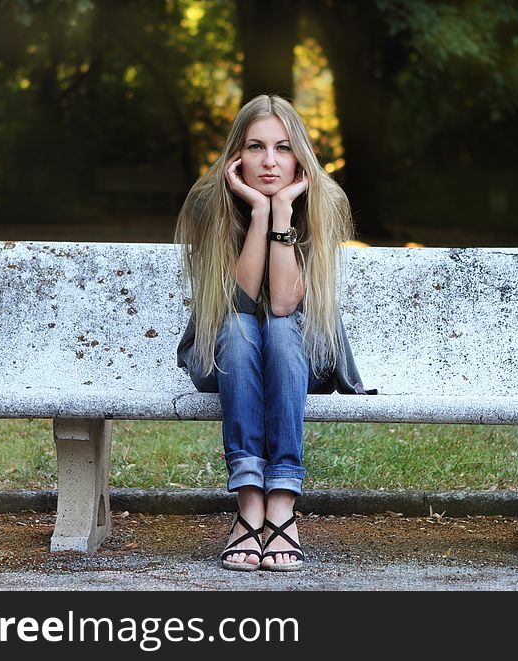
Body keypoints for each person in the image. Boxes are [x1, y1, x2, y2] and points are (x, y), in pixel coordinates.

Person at [174, 94, 376, 572]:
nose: (269, 161)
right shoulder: (211, 204)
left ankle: (281, 503)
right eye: (256, 147)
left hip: (301, 358)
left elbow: (285, 304)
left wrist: (282, 211)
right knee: (244, 329)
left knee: (281, 330)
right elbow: (240, 303)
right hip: (225, 359)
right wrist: (258, 215)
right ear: (235, 156)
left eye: (283, 148)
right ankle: (249, 505)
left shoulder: (323, 202)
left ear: (300, 156)